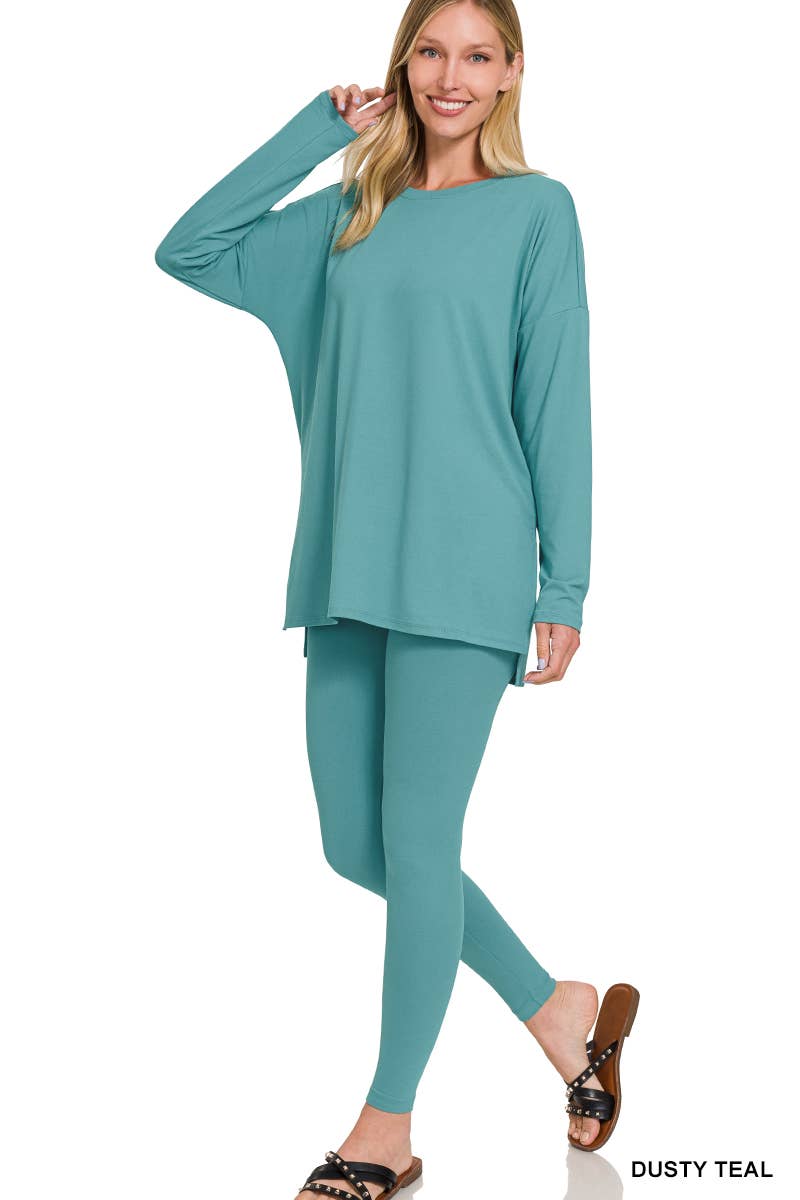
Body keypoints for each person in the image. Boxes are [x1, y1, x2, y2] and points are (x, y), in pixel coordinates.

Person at [154, 0, 638, 1193]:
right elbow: (190, 248)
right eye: (429, 50)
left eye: (476, 55)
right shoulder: (347, 215)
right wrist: (313, 133)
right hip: (344, 563)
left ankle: (385, 1127)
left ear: (511, 71)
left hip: (468, 570)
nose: (449, 76)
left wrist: (564, 583)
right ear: (400, 64)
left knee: (418, 844)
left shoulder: (535, 210)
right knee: (354, 846)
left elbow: (557, 399)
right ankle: (555, 1007)